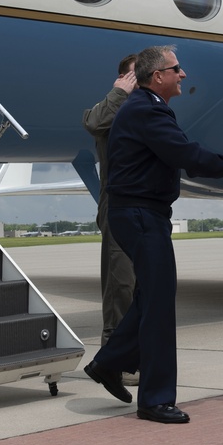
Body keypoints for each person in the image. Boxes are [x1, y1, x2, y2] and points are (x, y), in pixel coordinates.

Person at [83, 45, 223, 424]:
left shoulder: (144, 106)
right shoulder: (146, 109)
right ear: (158, 76)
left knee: (151, 298)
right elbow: (183, 153)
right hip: (140, 214)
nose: (183, 75)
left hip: (139, 213)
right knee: (158, 308)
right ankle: (154, 400)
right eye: (177, 69)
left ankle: (108, 363)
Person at [82, 54, 139, 383]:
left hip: (143, 213)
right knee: (120, 287)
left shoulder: (145, 110)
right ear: (122, 77)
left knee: (140, 289)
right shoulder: (108, 110)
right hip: (117, 211)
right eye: (135, 74)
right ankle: (113, 362)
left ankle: (132, 357)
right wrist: (119, 92)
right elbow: (94, 123)